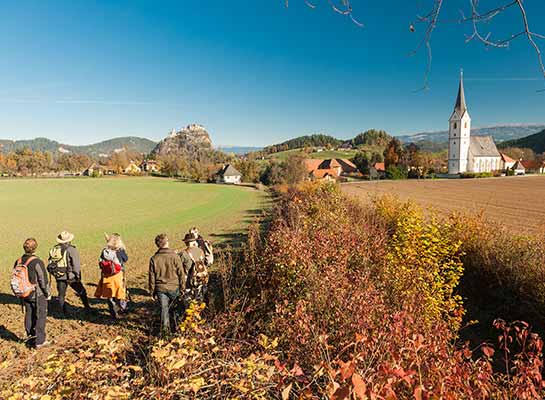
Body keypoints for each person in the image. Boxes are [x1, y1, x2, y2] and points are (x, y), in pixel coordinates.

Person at [13, 238, 51, 348]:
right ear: (35, 248)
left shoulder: (18, 261)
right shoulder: (37, 262)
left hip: (24, 293)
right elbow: (43, 280)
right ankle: (40, 341)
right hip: (37, 294)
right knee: (40, 316)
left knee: (29, 315)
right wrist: (47, 293)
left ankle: (30, 338)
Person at [148, 233, 185, 334]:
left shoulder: (153, 259)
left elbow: (152, 277)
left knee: (164, 311)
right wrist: (183, 288)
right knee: (178, 308)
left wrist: (151, 292)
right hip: (174, 287)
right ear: (167, 243)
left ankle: (165, 332)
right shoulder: (175, 256)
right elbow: (181, 274)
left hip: (160, 289)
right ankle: (179, 328)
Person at [48, 231, 91, 316]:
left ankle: (63, 312)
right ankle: (87, 308)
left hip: (59, 276)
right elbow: (76, 265)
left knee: (61, 295)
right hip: (71, 276)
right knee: (82, 291)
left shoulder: (54, 249)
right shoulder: (71, 249)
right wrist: (78, 276)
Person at [94, 233, 128, 319]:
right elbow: (126, 259)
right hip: (118, 276)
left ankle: (113, 313)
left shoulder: (104, 251)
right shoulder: (120, 251)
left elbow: (100, 263)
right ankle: (121, 308)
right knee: (120, 293)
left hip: (107, 277)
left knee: (110, 296)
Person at [180, 233, 208, 304]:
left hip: (188, 281)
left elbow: (179, 268)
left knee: (188, 301)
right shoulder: (200, 251)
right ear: (194, 241)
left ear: (186, 242)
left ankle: (191, 314)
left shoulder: (183, 253)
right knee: (199, 298)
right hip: (200, 277)